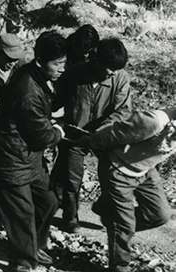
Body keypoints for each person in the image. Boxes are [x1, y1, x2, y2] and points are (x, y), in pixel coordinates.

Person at [0, 31, 67, 272]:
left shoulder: (35, 75)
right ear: (40, 62)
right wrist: (60, 130)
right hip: (11, 160)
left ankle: (34, 246)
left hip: (28, 158)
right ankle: (22, 262)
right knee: (22, 213)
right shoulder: (28, 91)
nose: (62, 69)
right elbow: (42, 136)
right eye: (57, 64)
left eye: (64, 62)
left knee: (48, 202)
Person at [73, 108, 176, 272]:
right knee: (124, 225)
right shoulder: (155, 121)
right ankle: (119, 266)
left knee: (160, 215)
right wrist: (91, 142)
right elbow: (113, 133)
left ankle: (109, 214)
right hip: (117, 168)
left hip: (146, 171)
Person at [52, 38, 131, 233]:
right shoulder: (74, 74)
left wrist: (103, 129)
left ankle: (108, 213)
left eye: (116, 69)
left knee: (113, 178)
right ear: (98, 60)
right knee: (72, 179)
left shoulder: (120, 78)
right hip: (75, 137)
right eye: (109, 68)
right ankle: (70, 217)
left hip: (104, 137)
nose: (112, 73)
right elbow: (54, 100)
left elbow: (123, 111)